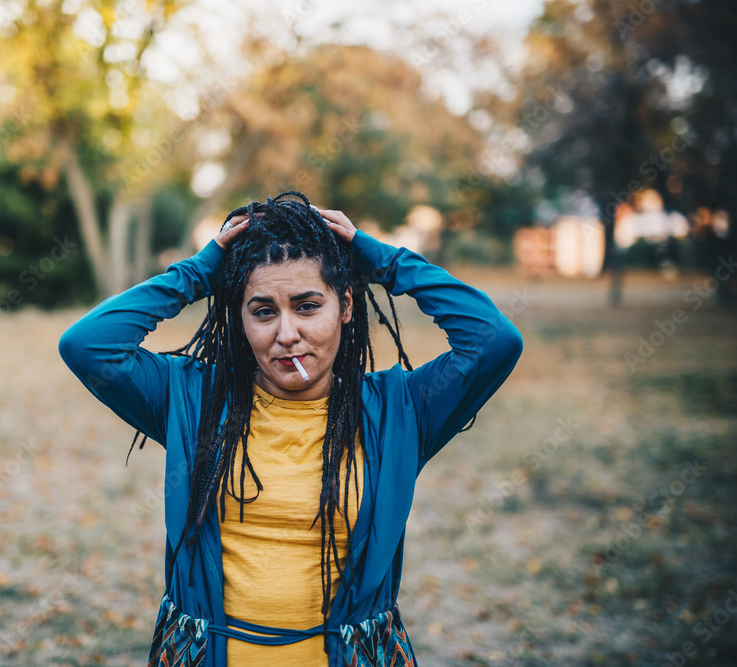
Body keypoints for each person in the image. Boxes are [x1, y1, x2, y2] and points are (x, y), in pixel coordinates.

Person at [58, 192, 523, 666]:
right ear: (240, 318)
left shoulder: (399, 411)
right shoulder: (193, 399)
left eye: (307, 306)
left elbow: (494, 340)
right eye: (263, 311)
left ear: (345, 305)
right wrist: (198, 272)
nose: (286, 334)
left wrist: (383, 261)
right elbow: (88, 345)